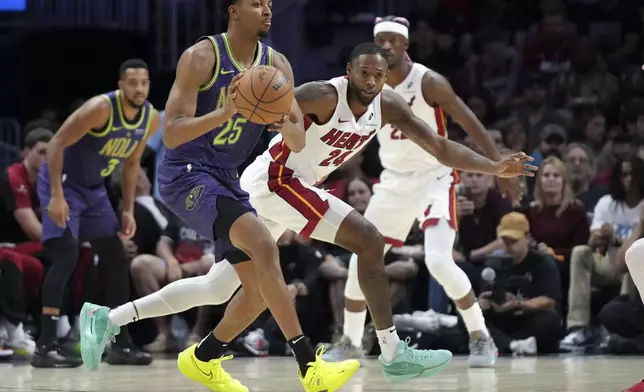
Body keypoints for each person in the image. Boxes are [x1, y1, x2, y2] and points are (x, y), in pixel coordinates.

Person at [86, 41, 536, 388]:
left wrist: (493, 164)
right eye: (364, 71)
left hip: (283, 190)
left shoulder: (389, 105)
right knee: (369, 239)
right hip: (276, 180)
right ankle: (393, 352)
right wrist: (273, 119)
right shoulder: (320, 95)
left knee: (220, 285)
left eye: (379, 74)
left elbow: (439, 147)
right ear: (349, 72)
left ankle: (113, 320)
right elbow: (271, 116)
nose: (372, 80)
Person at [79, 2, 359, 392]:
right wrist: (226, 112)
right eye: (256, 3)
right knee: (264, 247)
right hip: (185, 173)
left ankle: (174, 347)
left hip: (228, 176)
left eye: (269, 4)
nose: (266, 9)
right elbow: (172, 134)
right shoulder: (201, 57)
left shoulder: (276, 64)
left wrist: (281, 121)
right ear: (233, 11)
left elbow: (296, 139)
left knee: (250, 292)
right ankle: (309, 366)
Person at [323, 15, 524, 367]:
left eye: (392, 40)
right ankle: (351, 342)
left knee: (438, 260)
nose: (386, 46)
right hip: (393, 182)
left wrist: (498, 163)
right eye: (379, 39)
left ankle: (481, 337)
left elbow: (467, 121)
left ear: (405, 44)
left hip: (435, 177)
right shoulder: (369, 85)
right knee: (360, 262)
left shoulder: (428, 81)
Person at [32, 59, 161, 368]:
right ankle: (45, 345)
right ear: (121, 85)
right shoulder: (100, 108)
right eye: (132, 82)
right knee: (65, 254)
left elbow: (131, 165)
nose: (139, 88)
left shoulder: (151, 119)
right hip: (64, 184)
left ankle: (120, 343)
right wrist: (57, 195)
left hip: (94, 190)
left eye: (144, 82)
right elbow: (56, 144)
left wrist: (127, 209)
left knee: (116, 255)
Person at [480, 212, 564, 355]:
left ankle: (502, 344)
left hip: (527, 317)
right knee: (465, 315)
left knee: (550, 319)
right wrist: (485, 303)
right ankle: (512, 345)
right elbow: (484, 297)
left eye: (514, 241)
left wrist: (518, 304)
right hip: (501, 320)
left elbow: (548, 300)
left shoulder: (543, 263)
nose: (509, 247)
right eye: (505, 241)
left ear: (527, 238)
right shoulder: (493, 264)